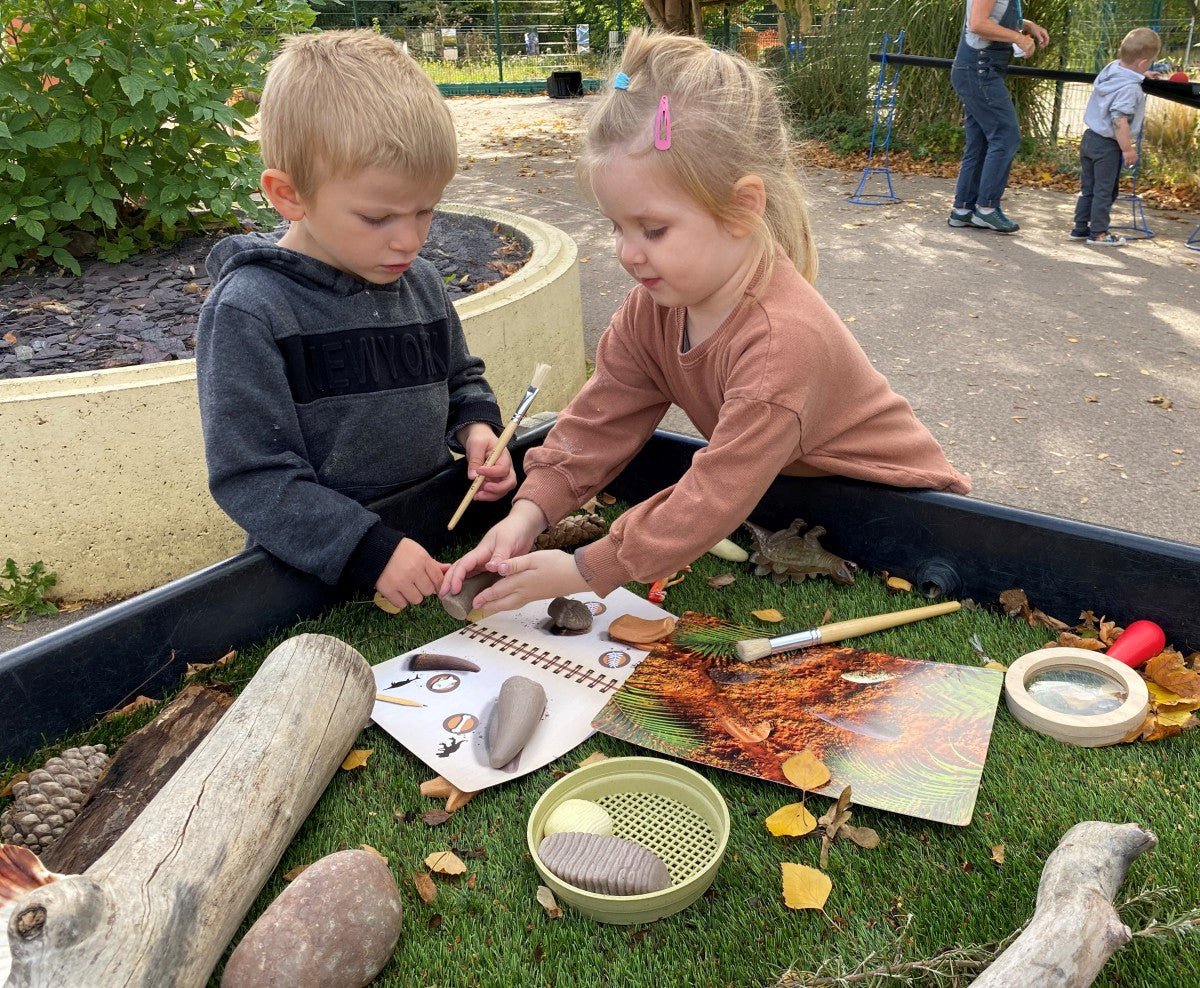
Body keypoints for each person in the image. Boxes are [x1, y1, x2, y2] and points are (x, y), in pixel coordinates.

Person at [442, 31, 970, 616]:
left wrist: (584, 568)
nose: (626, 252)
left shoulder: (783, 341)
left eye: (653, 229)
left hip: (906, 521)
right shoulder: (654, 305)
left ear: (742, 207)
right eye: (617, 226)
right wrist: (528, 512)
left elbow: (715, 493)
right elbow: (600, 417)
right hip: (793, 498)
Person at [196, 30, 516, 611]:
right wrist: (370, 551)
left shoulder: (418, 282)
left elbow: (460, 378)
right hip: (310, 580)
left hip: (434, 536)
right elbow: (252, 475)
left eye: (425, 210)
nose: (410, 239)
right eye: (377, 216)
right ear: (289, 195)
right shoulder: (249, 311)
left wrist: (476, 430)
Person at [947, 1, 1050, 234]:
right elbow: (978, 23)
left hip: (978, 69)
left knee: (981, 141)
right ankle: (986, 208)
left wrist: (1028, 25)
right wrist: (1018, 37)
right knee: (1006, 136)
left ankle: (963, 210)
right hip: (979, 70)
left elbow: (994, 14)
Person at [1070, 28, 1162, 247]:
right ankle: (1099, 233)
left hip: (1090, 138)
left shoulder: (1111, 69)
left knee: (1089, 188)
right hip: (1108, 145)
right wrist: (1128, 149)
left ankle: (1080, 227)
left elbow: (1125, 65)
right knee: (1104, 190)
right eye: (1148, 64)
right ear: (1142, 63)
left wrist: (1142, 74)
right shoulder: (1130, 90)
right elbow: (1119, 120)